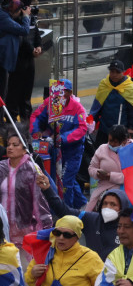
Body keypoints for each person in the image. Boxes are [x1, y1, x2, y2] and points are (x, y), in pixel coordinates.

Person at [29, 78, 90, 208]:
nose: (61, 95)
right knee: (64, 180)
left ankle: (66, 210)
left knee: (66, 182)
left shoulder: (78, 108)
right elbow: (35, 117)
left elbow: (82, 129)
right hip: (54, 150)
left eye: (64, 92)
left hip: (72, 152)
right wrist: (36, 133)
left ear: (70, 92)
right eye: (58, 92)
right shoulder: (50, 103)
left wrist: (60, 138)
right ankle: (83, 205)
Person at [0, 133, 52, 250]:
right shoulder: (1, 168)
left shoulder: (32, 169)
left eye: (15, 145)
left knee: (25, 266)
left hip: (25, 230)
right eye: (8, 144)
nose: (10, 148)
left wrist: (45, 230)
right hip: (3, 229)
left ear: (24, 150)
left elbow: (39, 202)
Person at [6, 0, 43, 123]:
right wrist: (31, 49)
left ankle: (26, 126)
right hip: (17, 58)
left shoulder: (28, 9)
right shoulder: (12, 8)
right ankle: (11, 128)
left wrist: (38, 45)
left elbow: (35, 30)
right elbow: (19, 34)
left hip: (29, 59)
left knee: (27, 95)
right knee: (14, 95)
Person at [89, 59, 133, 145]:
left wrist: (131, 128)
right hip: (104, 130)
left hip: (121, 132)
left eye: (117, 72)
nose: (114, 75)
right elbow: (96, 107)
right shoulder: (104, 84)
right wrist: (90, 123)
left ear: (123, 72)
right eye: (112, 71)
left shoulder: (129, 87)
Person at [85, 125, 129, 211]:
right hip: (103, 188)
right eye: (110, 141)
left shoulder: (132, 150)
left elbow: (132, 176)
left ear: (123, 141)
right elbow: (91, 168)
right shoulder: (102, 149)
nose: (111, 144)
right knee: (90, 212)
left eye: (115, 142)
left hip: (125, 189)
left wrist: (110, 176)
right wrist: (97, 173)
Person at [0, 0, 31, 100]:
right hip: (2, 63)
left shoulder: (4, 15)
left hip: (3, 62)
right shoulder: (3, 18)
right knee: (2, 94)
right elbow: (24, 30)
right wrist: (26, 16)